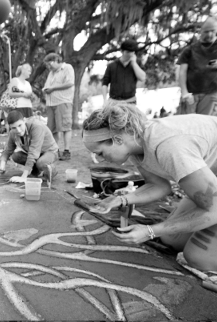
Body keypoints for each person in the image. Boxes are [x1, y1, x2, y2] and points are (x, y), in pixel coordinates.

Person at [82, 101, 217, 271]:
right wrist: (120, 200)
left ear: (117, 139)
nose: (100, 160)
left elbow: (213, 209)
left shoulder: (169, 147)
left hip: (213, 194)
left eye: (99, 153)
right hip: (211, 181)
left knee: (199, 257)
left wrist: (150, 231)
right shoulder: (135, 144)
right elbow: (159, 186)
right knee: (171, 238)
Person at [0, 110, 59, 184]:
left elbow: (33, 152)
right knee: (16, 156)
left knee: (41, 163)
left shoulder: (36, 126)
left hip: (49, 151)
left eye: (20, 125)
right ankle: (36, 171)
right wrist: (2, 164)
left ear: (24, 120)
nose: (18, 130)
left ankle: (52, 169)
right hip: (36, 154)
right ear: (10, 127)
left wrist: (23, 177)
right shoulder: (12, 133)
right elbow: (8, 150)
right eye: (14, 128)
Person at [177, 16, 217, 115]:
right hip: (191, 94)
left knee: (206, 124)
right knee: (188, 124)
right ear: (201, 32)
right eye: (207, 31)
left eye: (212, 31)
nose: (210, 34)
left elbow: (211, 64)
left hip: (211, 93)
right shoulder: (190, 50)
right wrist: (184, 92)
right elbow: (182, 72)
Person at [43, 53, 75, 161]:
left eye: (50, 64)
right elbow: (48, 85)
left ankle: (66, 151)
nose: (49, 67)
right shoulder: (51, 73)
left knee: (65, 127)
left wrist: (53, 88)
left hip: (63, 102)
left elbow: (70, 83)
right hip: (51, 103)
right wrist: (46, 89)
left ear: (57, 59)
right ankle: (55, 150)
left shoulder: (67, 68)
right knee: (53, 129)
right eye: (47, 65)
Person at [102, 39, 146, 105]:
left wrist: (133, 63)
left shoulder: (136, 64)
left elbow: (142, 78)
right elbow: (105, 83)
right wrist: (104, 100)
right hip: (114, 103)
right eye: (128, 52)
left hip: (131, 102)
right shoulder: (111, 65)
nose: (130, 54)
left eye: (132, 52)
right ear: (122, 51)